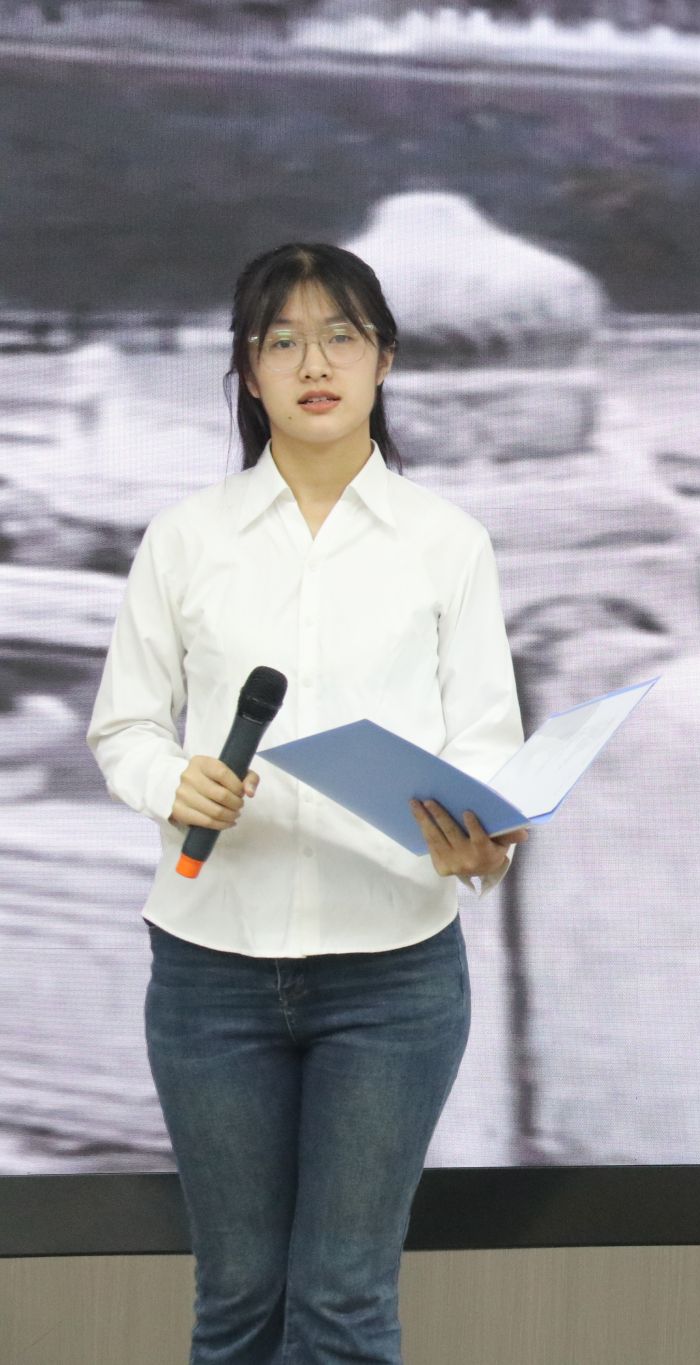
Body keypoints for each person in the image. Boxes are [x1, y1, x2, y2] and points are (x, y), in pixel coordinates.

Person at [86, 242, 527, 1364]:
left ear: (385, 359)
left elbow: (487, 746)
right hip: (211, 971)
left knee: (343, 1305)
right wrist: (172, 779)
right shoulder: (186, 539)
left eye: (339, 336)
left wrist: (486, 845)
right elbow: (125, 728)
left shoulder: (448, 544)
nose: (313, 363)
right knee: (237, 1303)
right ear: (248, 371)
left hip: (392, 977)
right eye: (281, 340)